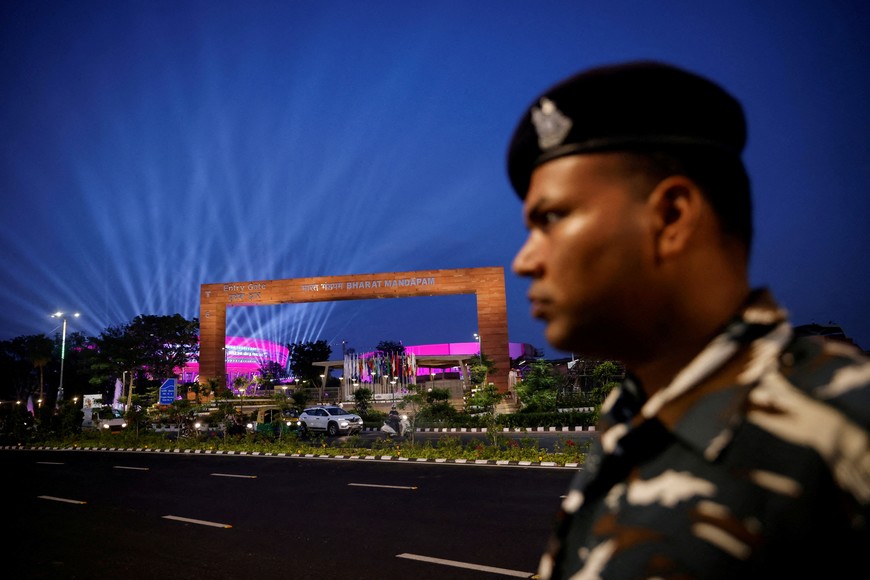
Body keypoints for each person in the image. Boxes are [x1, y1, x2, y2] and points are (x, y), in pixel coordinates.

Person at [506, 61, 870, 579]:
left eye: (552, 218)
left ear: (672, 216)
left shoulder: (847, 422)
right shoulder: (631, 420)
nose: (525, 260)